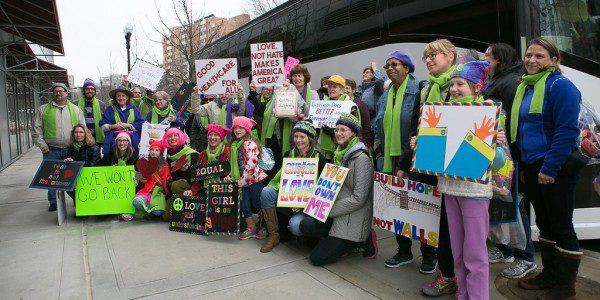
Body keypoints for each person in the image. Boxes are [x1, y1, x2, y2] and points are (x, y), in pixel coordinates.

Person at [412, 61, 507, 300]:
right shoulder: (442, 113)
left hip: (474, 193)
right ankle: (462, 295)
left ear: (477, 87)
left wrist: (490, 143)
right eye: (452, 84)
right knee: (457, 254)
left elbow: (498, 162)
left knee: (475, 255)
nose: (454, 89)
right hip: (449, 189)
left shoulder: (491, 112)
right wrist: (420, 146)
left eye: (460, 84)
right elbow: (436, 157)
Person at [513, 38, 582, 300]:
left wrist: (550, 168)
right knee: (544, 223)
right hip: (532, 165)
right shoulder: (526, 86)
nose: (531, 60)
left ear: (554, 60)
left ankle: (565, 288)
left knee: (561, 225)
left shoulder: (560, 86)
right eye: (529, 55)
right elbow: (521, 129)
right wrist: (523, 165)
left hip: (555, 166)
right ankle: (549, 275)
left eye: (539, 56)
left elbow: (567, 131)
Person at [372, 50, 439, 274]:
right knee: (398, 207)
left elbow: (420, 129)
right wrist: (379, 147)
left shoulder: (420, 90)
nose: (390, 68)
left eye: (395, 64)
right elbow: (377, 124)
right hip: (390, 161)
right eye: (387, 65)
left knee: (421, 207)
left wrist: (406, 159)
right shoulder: (385, 94)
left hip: (413, 160)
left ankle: (429, 255)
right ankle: (404, 251)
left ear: (407, 68)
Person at [483, 43, 538, 279]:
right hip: (499, 156)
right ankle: (504, 249)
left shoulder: (510, 82)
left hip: (507, 156)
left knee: (515, 205)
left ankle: (526, 257)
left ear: (500, 59)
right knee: (502, 205)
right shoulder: (499, 80)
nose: (485, 59)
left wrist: (512, 157)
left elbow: (512, 123)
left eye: (488, 56)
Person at [298, 114, 377, 266]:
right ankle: (336, 241)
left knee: (316, 259)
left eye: (343, 130)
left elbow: (359, 199)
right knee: (305, 225)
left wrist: (327, 210)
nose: (338, 133)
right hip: (336, 211)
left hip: (351, 217)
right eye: (336, 129)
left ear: (353, 133)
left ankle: (361, 240)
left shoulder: (362, 159)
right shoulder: (339, 153)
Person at [418, 39, 460, 298]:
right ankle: (447, 273)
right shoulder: (427, 89)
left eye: (435, 55)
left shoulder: (460, 84)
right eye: (427, 57)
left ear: (451, 56)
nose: (430, 60)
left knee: (455, 227)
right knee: (442, 223)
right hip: (433, 165)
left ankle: (453, 276)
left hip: (457, 169)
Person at [259, 120, 327, 253]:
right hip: (288, 198)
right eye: (296, 136)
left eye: (302, 137)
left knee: (295, 226)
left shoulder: (319, 158)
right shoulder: (288, 154)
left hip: (306, 206)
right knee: (267, 191)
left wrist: (302, 203)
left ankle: (301, 236)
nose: (298, 140)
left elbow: (320, 190)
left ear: (310, 138)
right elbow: (283, 179)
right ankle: (274, 235)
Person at [32, 82, 85, 211]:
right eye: (56, 91)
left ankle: (76, 198)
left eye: (61, 91)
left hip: (70, 149)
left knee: (73, 175)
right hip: (51, 149)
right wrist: (42, 145)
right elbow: (36, 129)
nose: (58, 93)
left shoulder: (76, 110)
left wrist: (80, 144)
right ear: (53, 94)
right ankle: (53, 201)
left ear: (67, 93)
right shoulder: (43, 109)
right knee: (52, 177)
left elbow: (83, 128)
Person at [230, 116, 268, 240]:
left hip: (255, 180)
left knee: (258, 203)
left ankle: (263, 225)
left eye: (240, 127)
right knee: (244, 203)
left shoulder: (249, 143)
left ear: (246, 129)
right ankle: (250, 226)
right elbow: (236, 164)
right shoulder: (236, 144)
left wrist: (241, 181)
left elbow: (251, 164)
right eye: (235, 127)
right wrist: (230, 176)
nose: (237, 130)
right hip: (243, 180)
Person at [319, 75, 362, 158]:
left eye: (334, 87)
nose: (331, 89)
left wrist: (333, 133)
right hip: (323, 151)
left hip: (344, 151)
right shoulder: (322, 105)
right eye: (329, 87)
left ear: (342, 90)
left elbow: (356, 130)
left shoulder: (350, 106)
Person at [161, 127, 199, 221]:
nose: (172, 138)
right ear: (167, 139)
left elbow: (198, 175)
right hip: (174, 189)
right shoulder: (169, 156)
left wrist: (186, 170)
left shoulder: (191, 154)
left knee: (176, 185)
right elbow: (169, 175)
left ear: (180, 137)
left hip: (190, 187)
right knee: (165, 217)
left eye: (175, 135)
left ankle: (187, 210)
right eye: (170, 136)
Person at [184, 124, 231, 197]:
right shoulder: (202, 154)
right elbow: (197, 177)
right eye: (210, 134)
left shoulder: (227, 152)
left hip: (223, 191)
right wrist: (192, 191)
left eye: (216, 135)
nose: (212, 137)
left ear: (221, 138)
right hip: (205, 189)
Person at [131, 140, 171, 219]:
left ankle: (149, 211)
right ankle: (148, 209)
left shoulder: (165, 165)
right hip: (147, 192)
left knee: (157, 212)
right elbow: (139, 174)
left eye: (157, 150)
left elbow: (166, 180)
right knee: (136, 202)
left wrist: (165, 194)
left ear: (161, 152)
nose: (154, 152)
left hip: (158, 193)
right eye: (152, 150)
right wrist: (137, 179)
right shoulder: (146, 162)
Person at [99, 86, 144, 154]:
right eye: (118, 96)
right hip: (113, 142)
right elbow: (102, 126)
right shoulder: (110, 109)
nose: (121, 98)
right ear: (115, 98)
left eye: (123, 96)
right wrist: (113, 126)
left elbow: (141, 124)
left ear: (127, 97)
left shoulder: (134, 109)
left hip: (132, 142)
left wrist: (128, 125)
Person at [64, 124, 101, 206]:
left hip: (90, 178)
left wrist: (76, 164)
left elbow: (92, 167)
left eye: (81, 132)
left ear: (86, 133)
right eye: (76, 132)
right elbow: (69, 168)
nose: (78, 135)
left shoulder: (94, 148)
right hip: (76, 177)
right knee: (67, 185)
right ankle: (79, 201)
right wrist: (68, 162)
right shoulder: (71, 148)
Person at [75, 78, 106, 147]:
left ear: (95, 91)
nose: (90, 91)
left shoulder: (101, 104)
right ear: (83, 91)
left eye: (92, 89)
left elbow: (105, 122)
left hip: (98, 140)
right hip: (81, 140)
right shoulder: (75, 104)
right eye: (87, 89)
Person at [345, 79, 373, 148]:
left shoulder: (361, 105)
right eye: (343, 88)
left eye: (347, 88)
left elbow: (366, 127)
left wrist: (366, 145)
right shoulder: (339, 104)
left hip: (357, 144)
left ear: (354, 90)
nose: (345, 90)